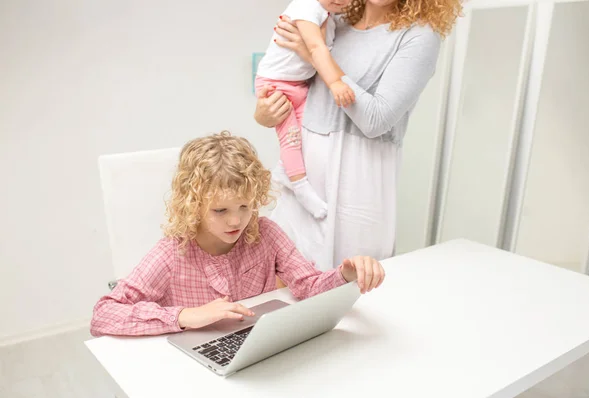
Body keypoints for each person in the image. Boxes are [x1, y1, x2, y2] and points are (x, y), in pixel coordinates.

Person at [90, 131, 385, 337]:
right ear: (193, 206)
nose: (237, 221)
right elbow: (103, 315)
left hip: (253, 344)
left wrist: (345, 275)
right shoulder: (172, 253)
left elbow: (307, 286)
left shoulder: (265, 233)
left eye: (245, 206)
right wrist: (184, 316)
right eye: (220, 211)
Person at [254, 0, 461, 271]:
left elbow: (376, 119)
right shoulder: (335, 23)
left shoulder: (419, 36)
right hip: (302, 183)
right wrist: (264, 115)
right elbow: (294, 88)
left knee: (347, 291)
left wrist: (316, 56)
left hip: (357, 186)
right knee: (282, 282)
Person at [255, 0, 356, 220]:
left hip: (300, 85)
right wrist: (335, 84)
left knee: (302, 138)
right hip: (277, 85)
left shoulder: (329, 17)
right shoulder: (307, 6)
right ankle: (301, 188)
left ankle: (286, 170)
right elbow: (315, 48)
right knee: (291, 139)